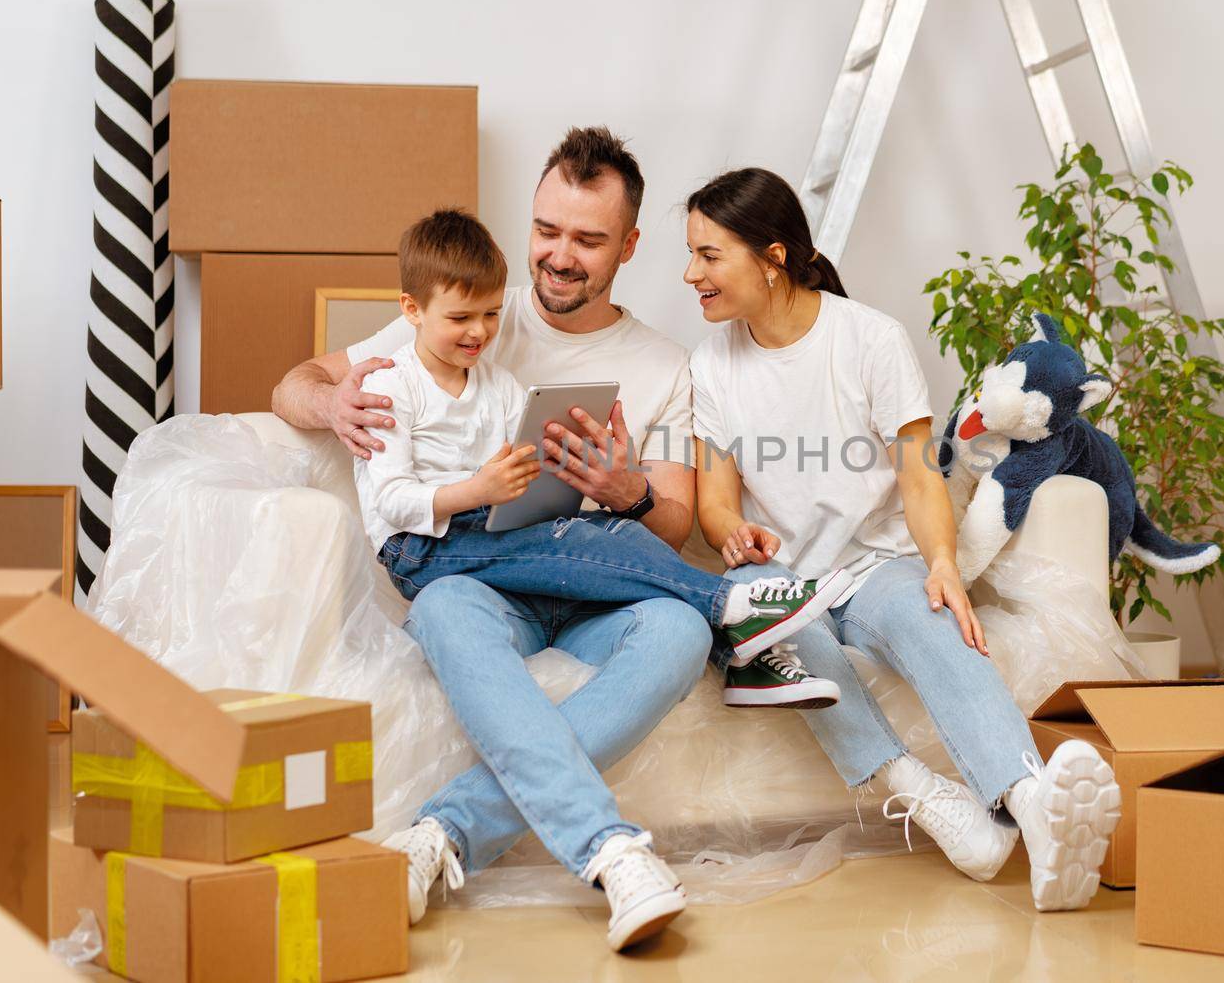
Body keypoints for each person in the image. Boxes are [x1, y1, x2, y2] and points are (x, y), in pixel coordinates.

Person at [271, 129, 830, 952]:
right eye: (548, 230)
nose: (560, 257)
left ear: (630, 246)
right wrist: (334, 408)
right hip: (482, 581)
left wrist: (623, 486)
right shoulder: (461, 313)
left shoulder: (664, 364)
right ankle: (608, 848)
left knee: (676, 628)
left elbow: (675, 520)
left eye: (588, 239)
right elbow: (296, 383)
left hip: (593, 584)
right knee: (449, 605)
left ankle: (442, 833)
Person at [683, 167, 1124, 912]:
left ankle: (1034, 807)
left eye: (708, 255)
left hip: (875, 562)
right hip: (781, 577)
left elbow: (920, 479)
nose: (691, 274)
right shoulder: (712, 364)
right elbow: (714, 504)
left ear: (773, 257)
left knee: (938, 622)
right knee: (790, 640)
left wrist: (945, 564)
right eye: (690, 254)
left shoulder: (871, 339)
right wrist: (736, 533)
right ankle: (925, 797)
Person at [357, 207, 853, 664]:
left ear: (627, 245)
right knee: (561, 540)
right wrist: (478, 490)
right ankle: (728, 602)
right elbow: (393, 502)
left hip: (483, 525)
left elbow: (524, 466)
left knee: (612, 529)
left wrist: (589, 475)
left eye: (490, 315)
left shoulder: (498, 383)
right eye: (461, 319)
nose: (481, 332)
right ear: (412, 309)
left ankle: (738, 655)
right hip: (420, 546)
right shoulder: (390, 386)